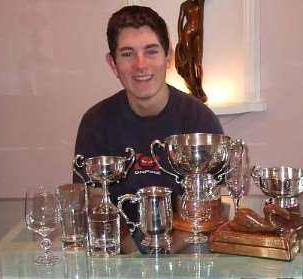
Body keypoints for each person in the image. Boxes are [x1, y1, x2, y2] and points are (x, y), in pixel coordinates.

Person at [73, 5, 223, 222]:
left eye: (151, 51)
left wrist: (167, 250)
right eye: (127, 54)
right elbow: (92, 204)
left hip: (185, 250)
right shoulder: (94, 122)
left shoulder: (199, 120)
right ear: (113, 64)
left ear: (168, 57)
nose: (140, 65)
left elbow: (210, 207)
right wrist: (132, 255)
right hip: (118, 251)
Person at [175, 0, 207, 102]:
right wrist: (180, 40)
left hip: (198, 33)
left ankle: (199, 87)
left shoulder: (200, 2)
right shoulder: (184, 5)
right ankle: (194, 90)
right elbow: (180, 23)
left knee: (198, 62)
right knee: (189, 61)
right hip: (187, 32)